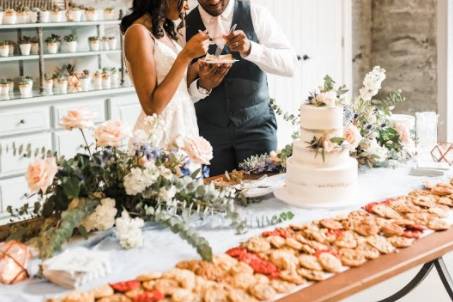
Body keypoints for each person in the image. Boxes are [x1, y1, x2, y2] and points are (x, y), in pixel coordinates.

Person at [186, 0, 298, 176]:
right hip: (207, 135)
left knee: (263, 193)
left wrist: (251, 49)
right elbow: (177, 90)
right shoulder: (183, 25)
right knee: (219, 198)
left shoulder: (256, 14)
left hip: (257, 130)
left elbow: (290, 64)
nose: (214, 1)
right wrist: (201, 87)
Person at [121, 0, 210, 148]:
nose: (187, 6)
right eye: (185, 0)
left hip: (183, 125)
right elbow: (151, 108)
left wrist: (197, 69)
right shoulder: (138, 32)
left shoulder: (164, 31)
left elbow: (175, 85)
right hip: (160, 134)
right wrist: (186, 55)